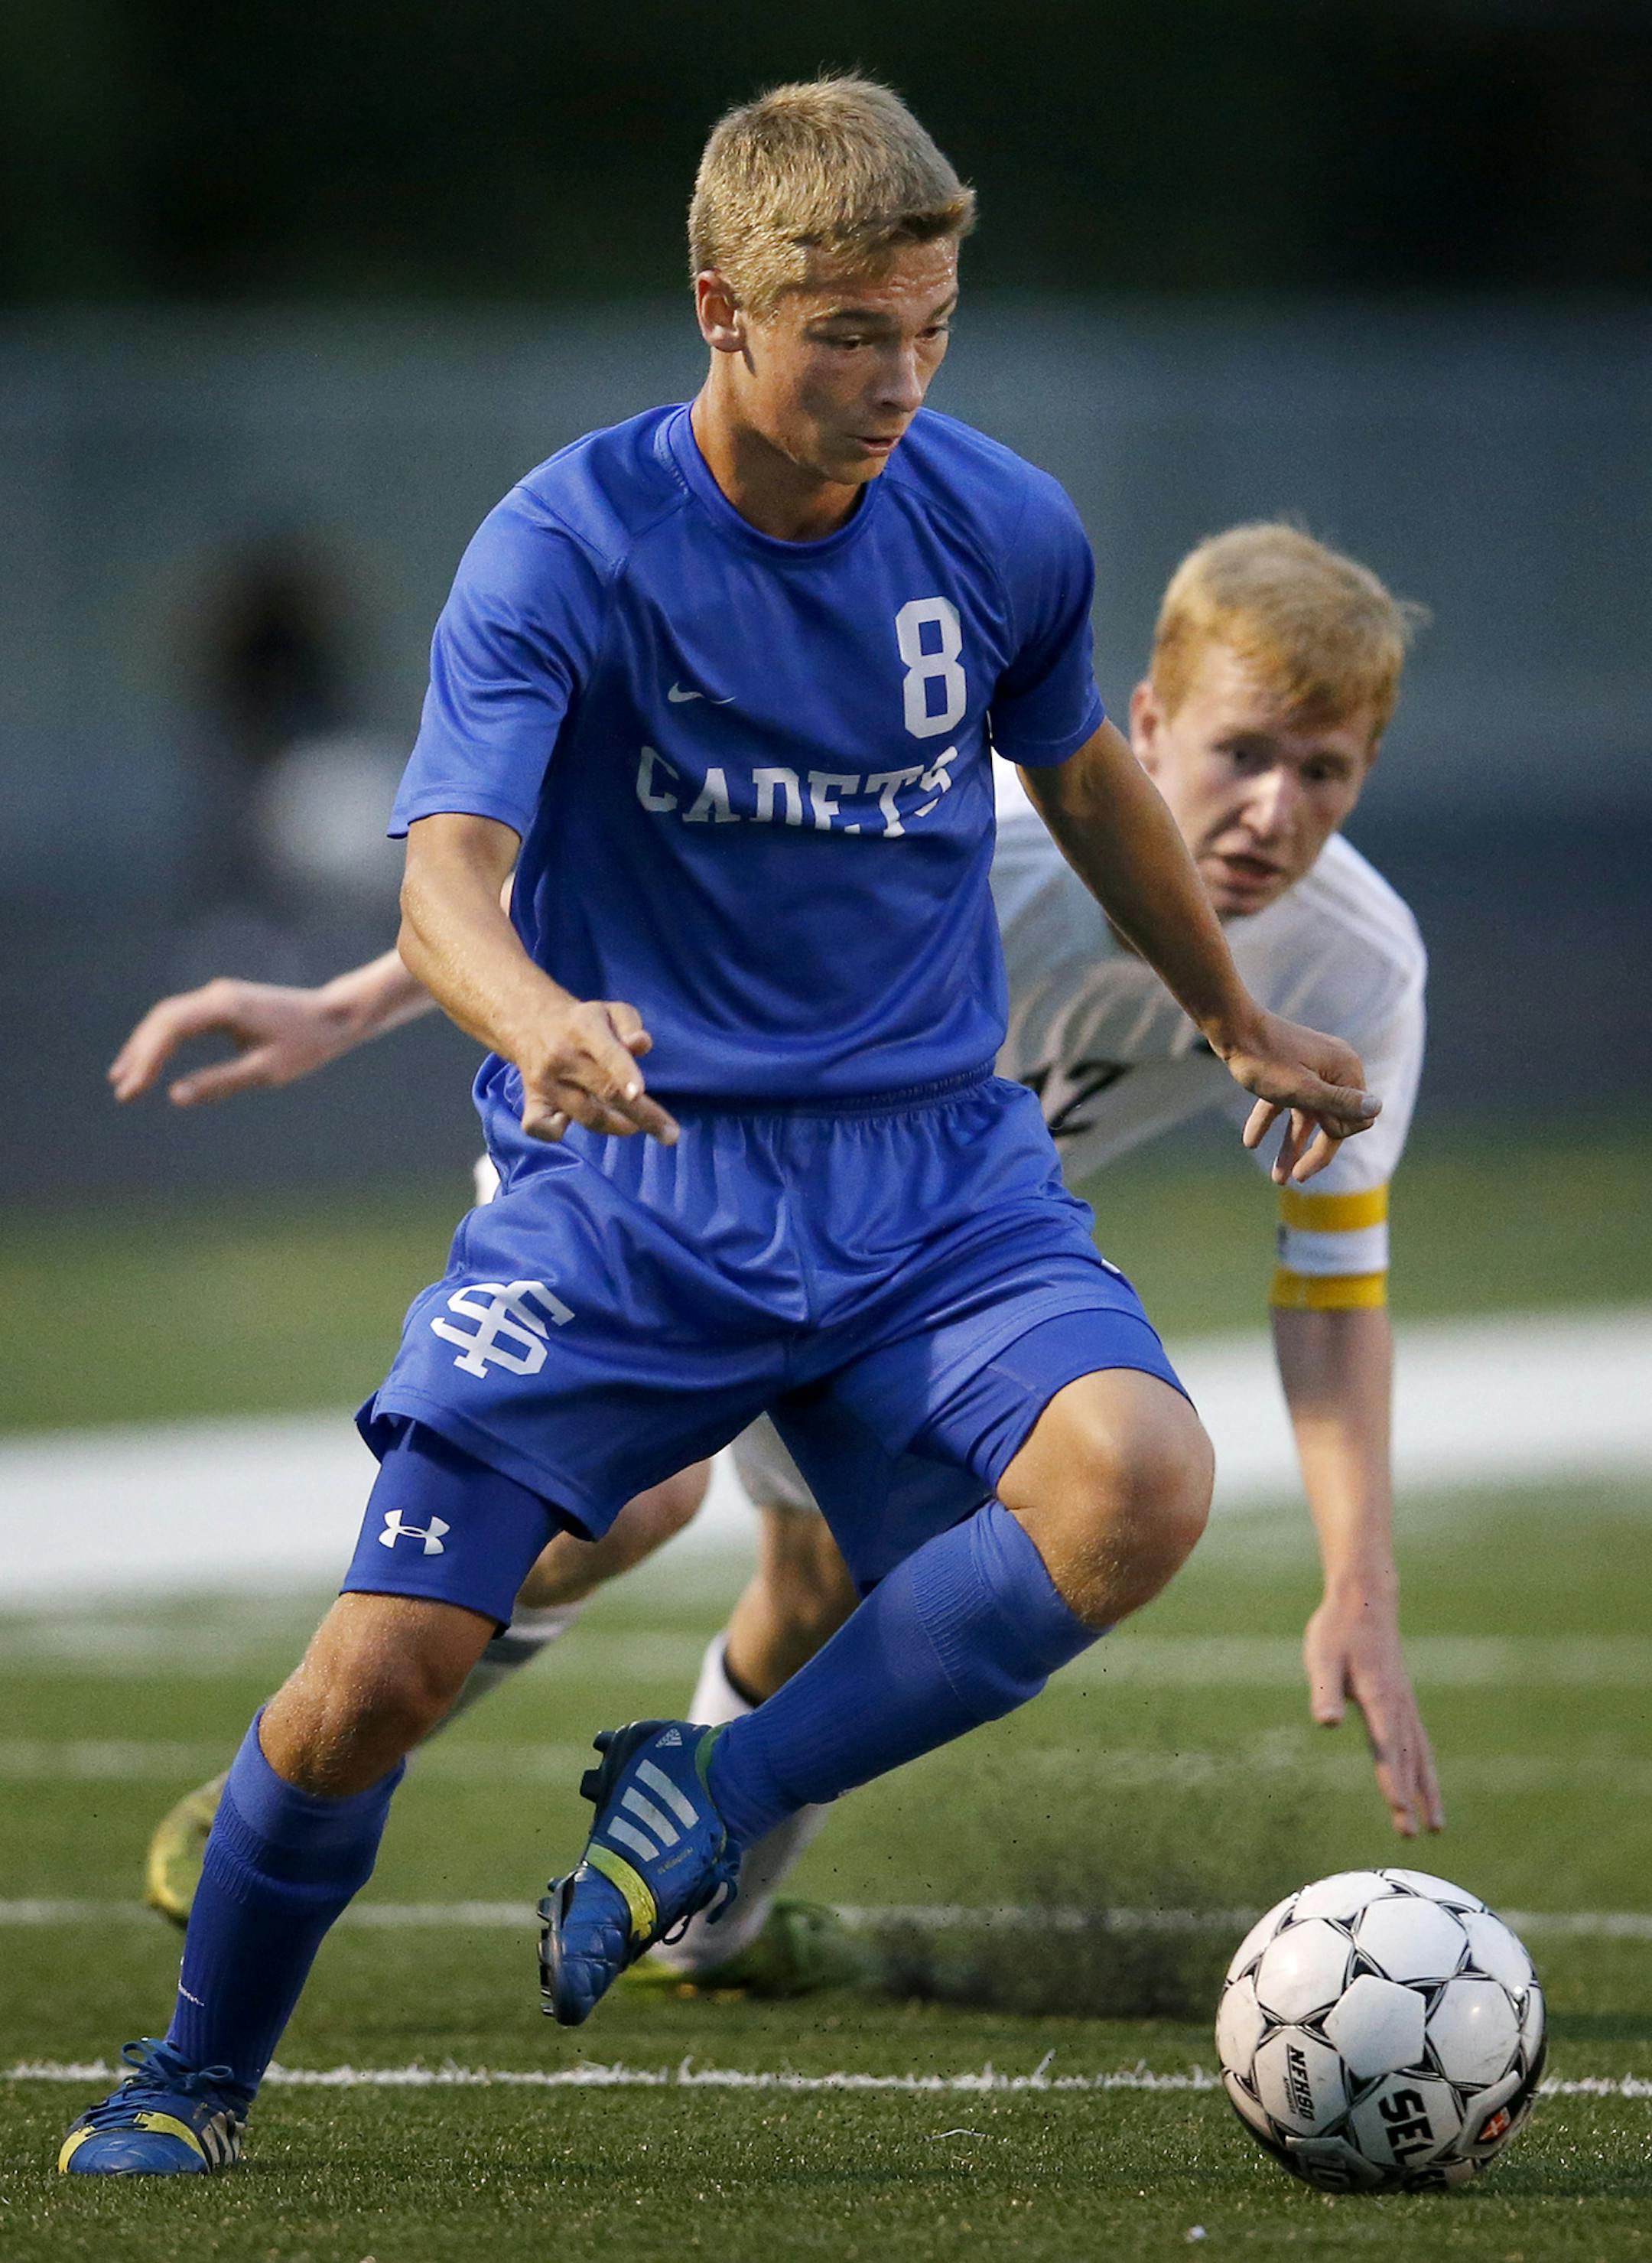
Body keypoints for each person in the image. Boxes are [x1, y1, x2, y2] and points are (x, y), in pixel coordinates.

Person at [63, 77, 1376, 2175]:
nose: (897, 378)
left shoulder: (1005, 529)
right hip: (635, 1200)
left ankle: (723, 1792)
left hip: (930, 1182)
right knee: (373, 1680)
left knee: (1138, 1479)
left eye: (930, 326)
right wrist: (531, 1019)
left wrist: (1231, 1019)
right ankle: (195, 2072)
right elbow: (444, 881)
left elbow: (1091, 788)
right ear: (723, 310)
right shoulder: (570, 544)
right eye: (850, 330)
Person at [123, 522, 1441, 2003]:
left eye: (1323, 772)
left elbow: (1333, 1291)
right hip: (644, 1146)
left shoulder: (1358, 967)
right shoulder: (987, 836)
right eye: (1239, 753)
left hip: (912, 1242)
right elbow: (647, 876)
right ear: (1142, 723)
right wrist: (352, 1005)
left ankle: (702, 1924)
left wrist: (1362, 1581)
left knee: (832, 1573)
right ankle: (309, 1761)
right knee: (625, 1502)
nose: (1273, 810)